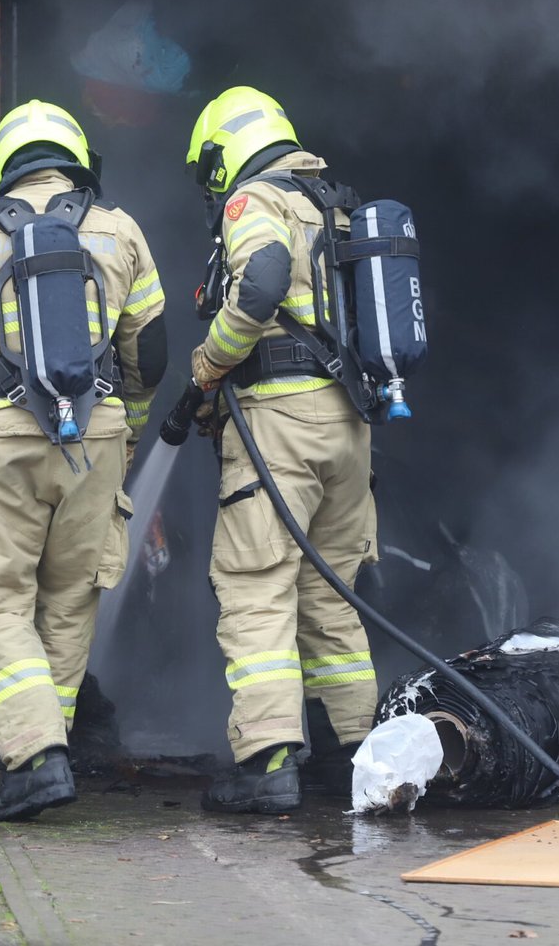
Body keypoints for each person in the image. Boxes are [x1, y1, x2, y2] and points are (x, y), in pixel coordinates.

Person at [0, 100, 167, 821]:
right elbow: (148, 357)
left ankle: (35, 758)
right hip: (96, 444)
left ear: (0, 168)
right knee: (66, 602)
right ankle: (41, 755)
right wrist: (125, 434)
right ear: (78, 162)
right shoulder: (121, 233)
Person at [185, 86, 379, 813]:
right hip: (346, 424)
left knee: (255, 585)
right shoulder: (332, 205)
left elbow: (262, 280)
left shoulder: (254, 202)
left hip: (279, 422)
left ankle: (267, 763)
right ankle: (354, 759)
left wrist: (210, 361)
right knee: (331, 595)